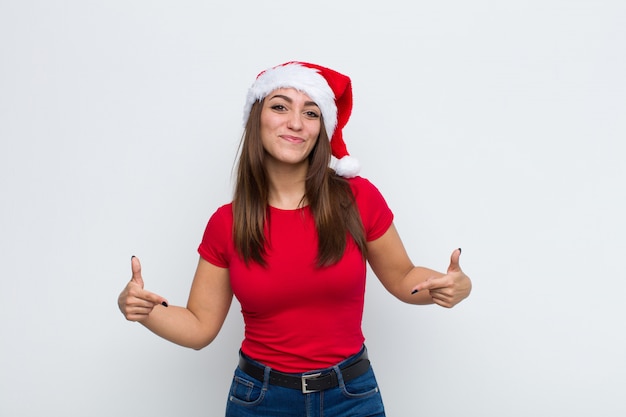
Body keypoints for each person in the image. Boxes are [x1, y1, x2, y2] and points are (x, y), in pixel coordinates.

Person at [118, 61, 472, 416]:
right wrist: (145, 312)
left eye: (311, 113)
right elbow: (198, 326)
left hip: (351, 398)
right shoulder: (226, 223)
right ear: (257, 118)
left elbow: (402, 277)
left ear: (322, 129)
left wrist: (452, 285)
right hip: (260, 400)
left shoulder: (358, 199)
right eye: (280, 106)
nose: (296, 122)